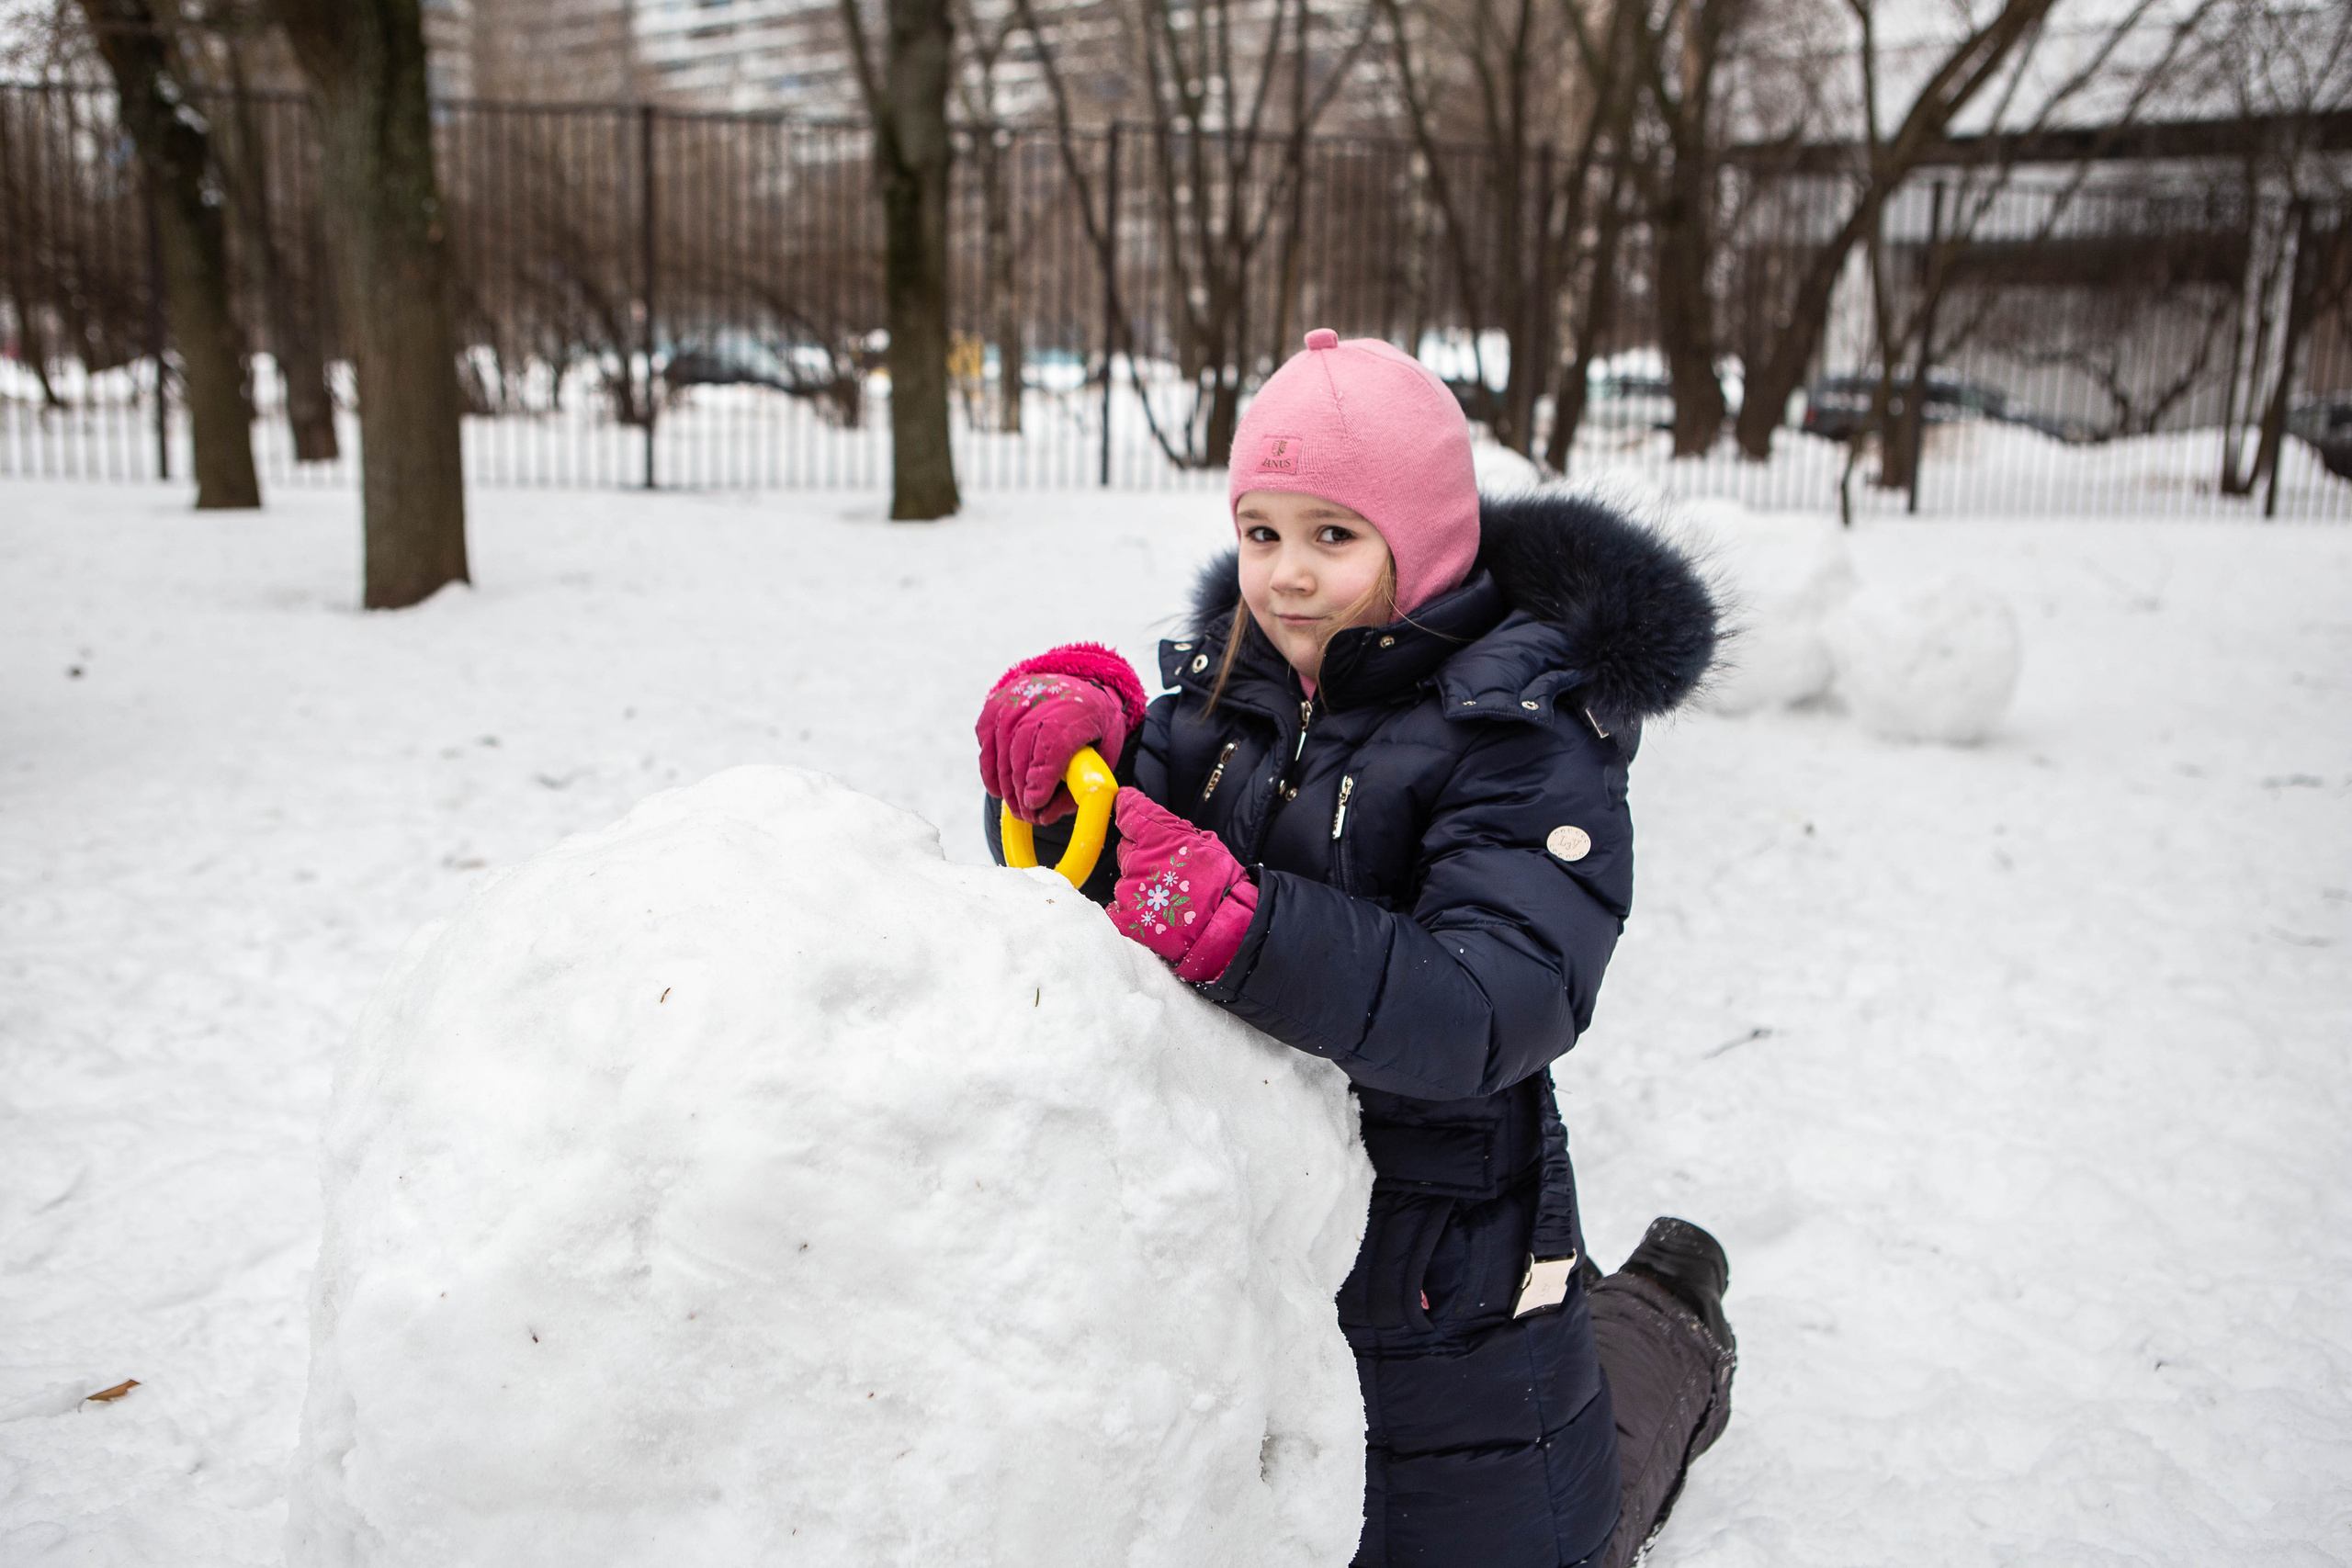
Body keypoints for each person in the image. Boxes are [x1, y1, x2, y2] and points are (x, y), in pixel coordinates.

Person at [975, 329, 1736, 1568]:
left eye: (1333, 535)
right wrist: (1066, 777)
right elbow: (1104, 891)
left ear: (1424, 539)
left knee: (1561, 1526)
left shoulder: (1526, 735)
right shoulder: (1226, 696)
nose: (1282, 575)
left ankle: (1671, 1310)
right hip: (1257, 1222)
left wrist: (1251, 928)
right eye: (1262, 531)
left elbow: (1501, 999)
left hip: (1444, 1261)